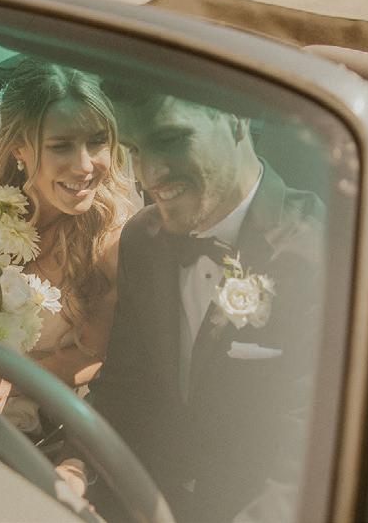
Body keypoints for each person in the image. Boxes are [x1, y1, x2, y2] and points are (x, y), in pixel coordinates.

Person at [86, 88, 325, 522]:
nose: (148, 175)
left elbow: (309, 455)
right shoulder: (142, 239)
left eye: (171, 139)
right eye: (134, 150)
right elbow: (123, 385)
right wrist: (74, 466)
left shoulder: (321, 255)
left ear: (237, 117)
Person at [0, 57, 140, 492]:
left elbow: (92, 355)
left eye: (97, 142)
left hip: (21, 418)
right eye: (61, 146)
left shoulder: (113, 239)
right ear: (21, 149)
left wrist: (1, 379)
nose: (85, 166)